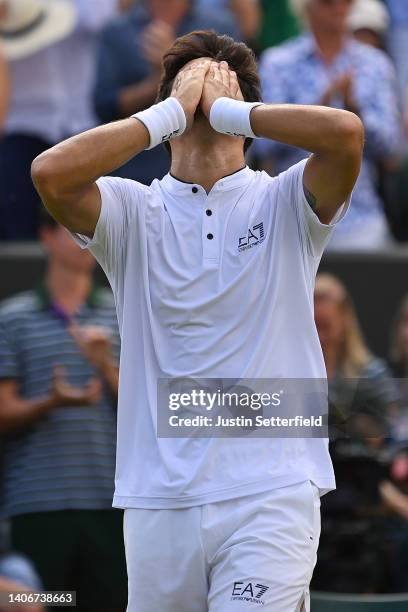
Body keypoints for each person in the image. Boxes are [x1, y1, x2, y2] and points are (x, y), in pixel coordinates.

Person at [31, 29, 364, 611]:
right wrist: (169, 113)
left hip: (273, 491)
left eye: (222, 89)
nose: (207, 100)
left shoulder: (284, 200)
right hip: (157, 503)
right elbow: (49, 173)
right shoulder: (131, 211)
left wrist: (234, 112)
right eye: (196, 88)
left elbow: (346, 134)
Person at [0, 214, 127, 611]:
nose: (85, 242)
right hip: (37, 509)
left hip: (111, 506)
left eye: (91, 233)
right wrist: (50, 402)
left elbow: (145, 413)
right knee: (46, 604)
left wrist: (104, 364)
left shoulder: (123, 313)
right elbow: (3, 412)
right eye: (74, 233)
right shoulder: (11, 318)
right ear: (45, 237)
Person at [255, 0, 401, 251]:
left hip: (360, 220)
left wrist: (355, 115)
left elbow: (392, 150)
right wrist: (317, 117)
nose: (340, 8)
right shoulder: (277, 63)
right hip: (291, 219)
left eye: (347, 1)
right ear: (306, 7)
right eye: (329, 2)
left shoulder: (375, 64)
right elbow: (262, 146)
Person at [0, 0, 117, 240]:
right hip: (20, 128)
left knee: (90, 229)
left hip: (78, 126)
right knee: (18, 231)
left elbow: (100, 15)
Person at [94, 0, 239, 185]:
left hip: (206, 175)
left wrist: (173, 65)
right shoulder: (117, 29)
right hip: (136, 175)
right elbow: (104, 105)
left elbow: (232, 98)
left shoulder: (220, 25)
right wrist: (156, 83)